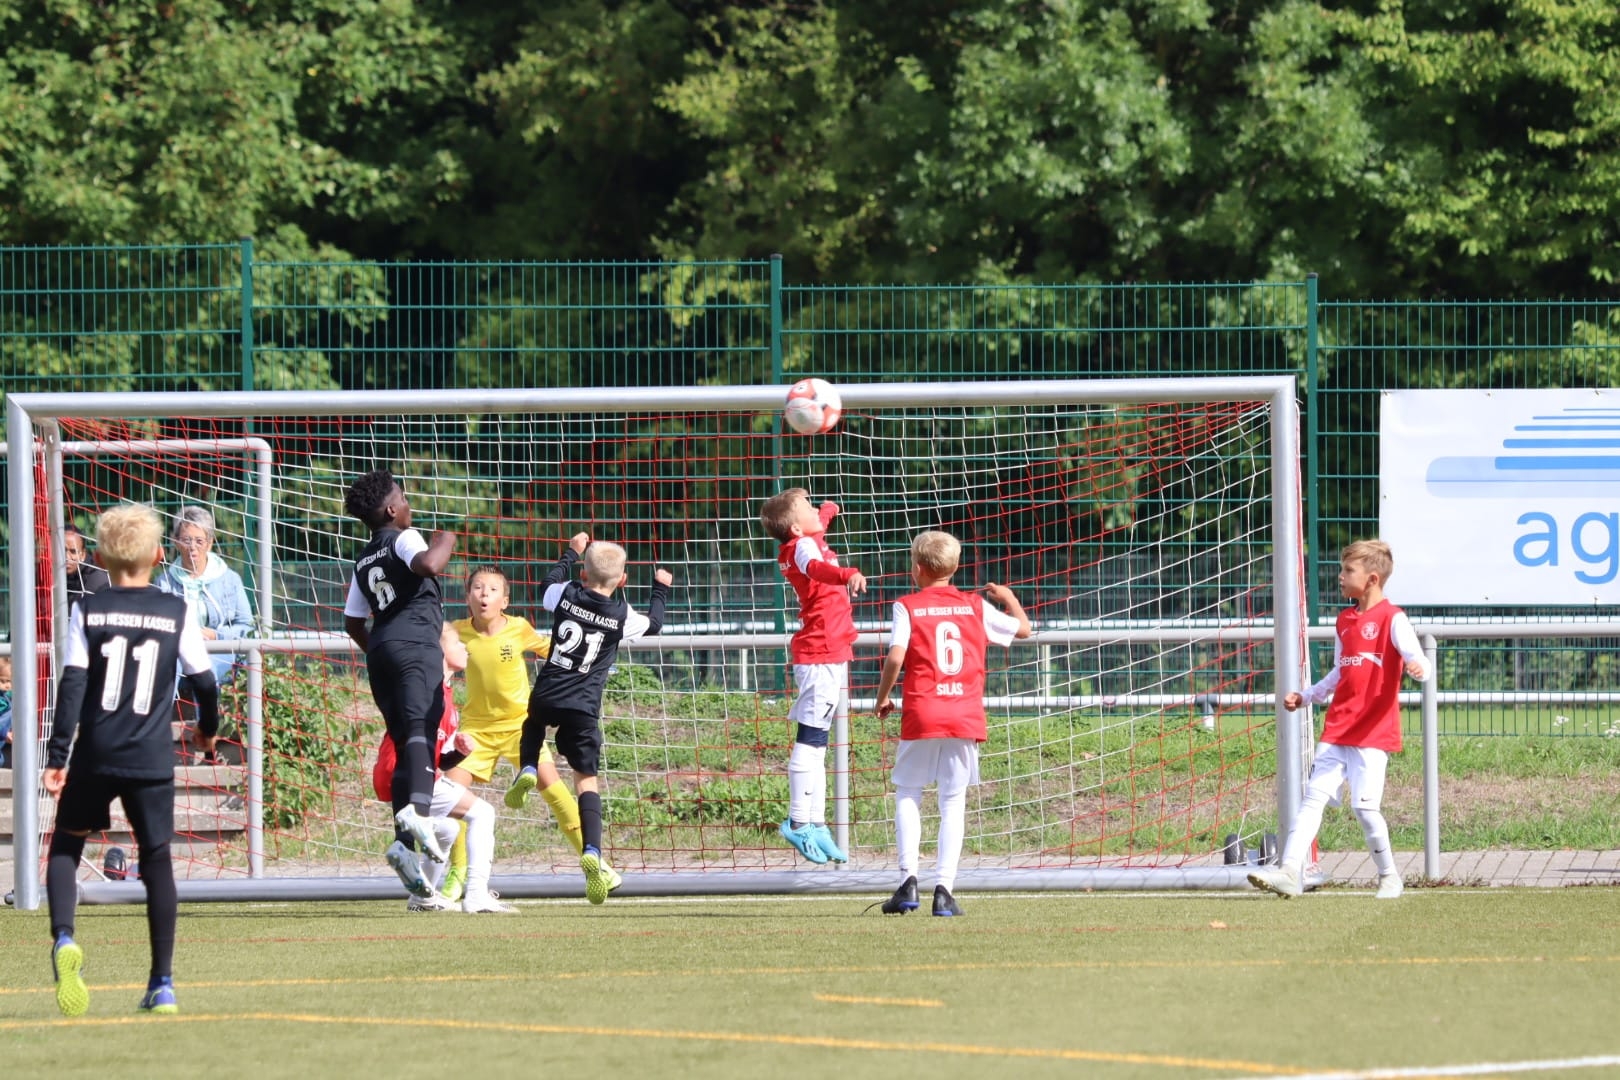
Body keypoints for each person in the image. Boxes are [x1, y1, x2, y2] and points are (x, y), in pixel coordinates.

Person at [42, 503, 222, 1016]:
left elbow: (72, 686)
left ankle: (64, 937)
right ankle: (162, 984)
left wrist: (59, 755)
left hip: (96, 751)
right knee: (157, 859)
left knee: (66, 844)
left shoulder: (88, 610)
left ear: (99, 557)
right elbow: (205, 682)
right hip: (150, 753)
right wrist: (208, 731)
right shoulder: (175, 611)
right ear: (160, 554)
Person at [1248, 539, 1432, 901]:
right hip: (1338, 727)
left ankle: (1389, 876)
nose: (1340, 576)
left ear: (1372, 579)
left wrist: (1417, 668)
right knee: (1312, 798)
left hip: (1373, 732)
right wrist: (1307, 695)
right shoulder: (1344, 620)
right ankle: (1289, 871)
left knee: (1364, 809)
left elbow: (1420, 660)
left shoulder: (1393, 618)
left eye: (1348, 570)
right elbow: (1340, 671)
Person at [505, 534, 671, 904]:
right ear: (623, 580)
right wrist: (660, 588)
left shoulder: (565, 593)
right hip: (582, 707)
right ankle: (592, 850)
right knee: (586, 781)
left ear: (582, 573)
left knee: (533, 724)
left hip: (548, 693)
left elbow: (546, 584)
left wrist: (571, 551)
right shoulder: (621, 616)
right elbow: (655, 623)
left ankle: (528, 766)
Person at [872, 531, 1030, 917]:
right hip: (963, 714)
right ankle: (944, 890)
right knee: (953, 801)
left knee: (908, 792)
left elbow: (896, 656)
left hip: (923, 710)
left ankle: (908, 882)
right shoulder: (974, 605)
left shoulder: (907, 606)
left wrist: (883, 696)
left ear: (917, 568)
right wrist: (1008, 598)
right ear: (956, 568)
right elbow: (1024, 629)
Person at [453, 565, 620, 893]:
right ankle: (456, 874)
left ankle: (596, 863)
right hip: (475, 730)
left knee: (557, 793)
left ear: (505, 601)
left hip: (520, 725)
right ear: (467, 597)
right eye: (478, 588)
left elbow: (555, 651)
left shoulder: (518, 628)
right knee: (450, 797)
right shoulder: (456, 632)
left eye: (492, 589)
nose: (484, 594)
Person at [342, 469, 457, 895]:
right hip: (414, 647)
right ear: (392, 510)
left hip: (381, 655)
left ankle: (404, 846)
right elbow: (429, 564)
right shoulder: (404, 537)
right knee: (422, 733)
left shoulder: (363, 559)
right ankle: (418, 817)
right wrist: (447, 539)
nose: (409, 505)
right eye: (404, 498)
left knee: (406, 744)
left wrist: (381, 648)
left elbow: (352, 622)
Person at [372, 622, 516, 913]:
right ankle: (476, 894)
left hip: (409, 774)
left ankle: (422, 897)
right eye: (457, 643)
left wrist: (457, 753)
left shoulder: (443, 694)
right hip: (404, 772)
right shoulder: (427, 690)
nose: (464, 648)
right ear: (437, 650)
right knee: (483, 813)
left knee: (447, 829)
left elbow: (435, 757)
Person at [758, 488, 867, 864]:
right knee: (810, 740)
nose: (814, 509)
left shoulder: (806, 538)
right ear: (795, 528)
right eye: (807, 507)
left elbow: (814, 527)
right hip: (819, 651)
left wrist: (827, 512)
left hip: (831, 650)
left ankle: (816, 823)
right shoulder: (803, 549)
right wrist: (847, 574)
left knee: (820, 744)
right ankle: (797, 822)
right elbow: (816, 568)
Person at [156, 507, 254, 760]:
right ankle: (154, 737)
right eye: (186, 540)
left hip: (218, 650)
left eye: (199, 541)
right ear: (176, 542)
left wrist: (215, 635)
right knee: (165, 668)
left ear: (210, 542)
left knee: (205, 669)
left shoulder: (230, 579)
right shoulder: (165, 581)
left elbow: (246, 625)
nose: (193, 547)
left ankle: (207, 740)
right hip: (178, 650)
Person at [64, 523, 110, 604]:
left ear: (83, 554)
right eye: (63, 550)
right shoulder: (46, 574)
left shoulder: (97, 582)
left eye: (73, 552)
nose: (67, 557)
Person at [0, 656, 13, 769]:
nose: (7, 685)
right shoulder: (1, 701)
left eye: (9, 681)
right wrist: (4, 733)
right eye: (2, 681)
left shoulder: (5, 696)